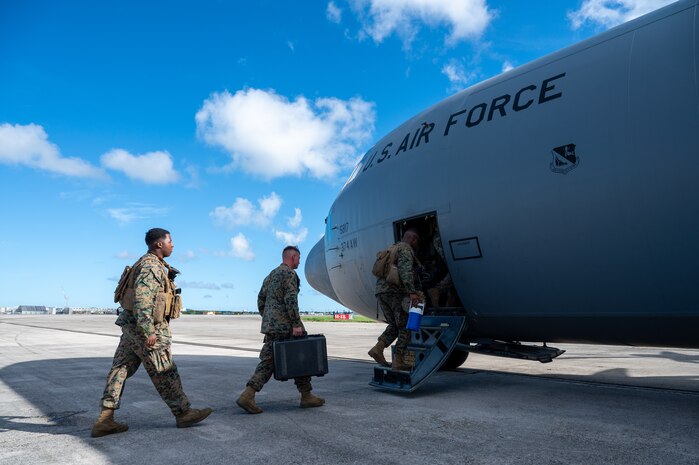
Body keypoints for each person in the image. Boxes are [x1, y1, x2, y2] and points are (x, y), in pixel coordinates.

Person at [91, 228, 212, 437]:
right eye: (170, 241)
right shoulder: (151, 266)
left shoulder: (145, 263)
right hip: (144, 330)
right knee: (165, 371)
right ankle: (183, 413)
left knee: (120, 370)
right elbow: (142, 299)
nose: (173, 245)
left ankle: (105, 418)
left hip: (131, 328)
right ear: (159, 244)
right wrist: (148, 331)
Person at [236, 245, 325, 414]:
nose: (299, 261)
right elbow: (291, 299)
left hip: (271, 326)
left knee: (269, 362)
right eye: (298, 258)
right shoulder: (290, 274)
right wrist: (296, 324)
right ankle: (306, 396)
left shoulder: (271, 275)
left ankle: (249, 394)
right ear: (292, 258)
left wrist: (269, 318)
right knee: (301, 357)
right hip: (286, 326)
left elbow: (261, 298)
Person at [368, 229, 423, 371]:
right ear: (413, 240)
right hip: (394, 292)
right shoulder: (405, 249)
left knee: (393, 325)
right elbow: (405, 271)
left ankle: (377, 348)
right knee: (405, 326)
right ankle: (398, 360)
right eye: (417, 241)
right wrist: (412, 292)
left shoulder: (392, 248)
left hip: (381, 292)